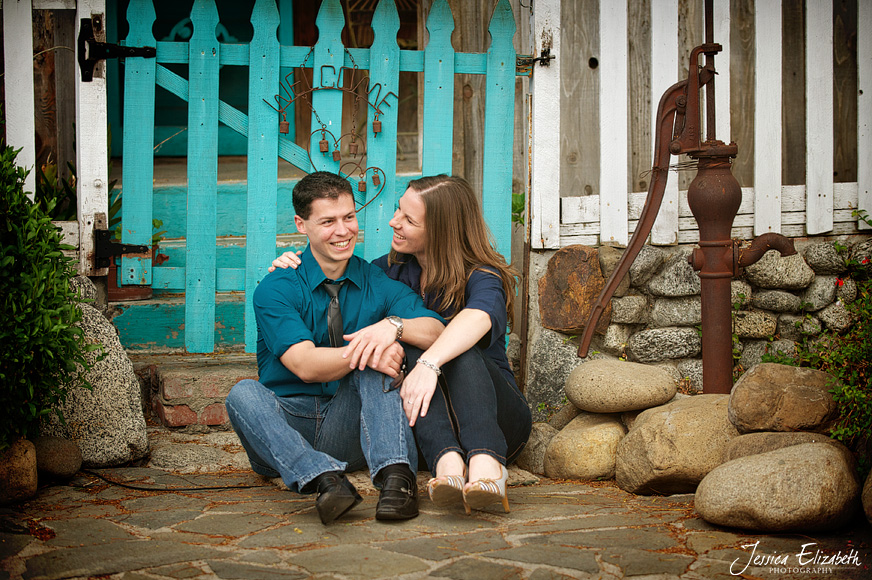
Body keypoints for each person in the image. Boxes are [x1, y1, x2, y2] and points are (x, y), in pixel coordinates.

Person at [272, 174, 532, 514]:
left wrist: (428, 363)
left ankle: (486, 465)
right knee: (400, 338)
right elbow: (335, 271)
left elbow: (478, 319)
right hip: (426, 432)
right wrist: (292, 266)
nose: (394, 222)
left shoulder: (482, 276)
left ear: (439, 230)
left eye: (408, 220)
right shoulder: (389, 272)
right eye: (398, 210)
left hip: (495, 422)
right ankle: (448, 464)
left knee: (452, 339)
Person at [226, 171, 444, 525]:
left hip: (349, 425)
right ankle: (325, 479)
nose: (343, 231)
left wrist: (391, 328)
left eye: (349, 217)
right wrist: (369, 347)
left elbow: (435, 330)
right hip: (284, 430)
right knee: (242, 394)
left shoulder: (375, 280)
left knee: (377, 360)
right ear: (302, 224)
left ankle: (397, 480)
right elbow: (305, 364)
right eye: (328, 221)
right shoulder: (277, 287)